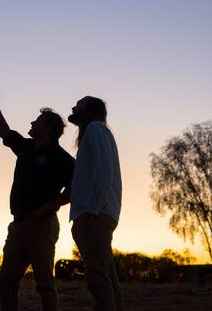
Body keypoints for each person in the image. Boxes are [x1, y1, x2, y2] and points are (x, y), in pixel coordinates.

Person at [0, 82, 74, 311]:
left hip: (42, 226)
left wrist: (46, 209)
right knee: (7, 281)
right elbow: (4, 131)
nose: (31, 123)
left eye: (36, 121)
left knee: (44, 284)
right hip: (18, 224)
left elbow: (73, 191)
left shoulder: (61, 159)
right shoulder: (26, 147)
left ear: (48, 128)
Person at [67, 96, 124, 311]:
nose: (73, 107)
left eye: (78, 104)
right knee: (107, 278)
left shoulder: (95, 130)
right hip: (98, 214)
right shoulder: (96, 132)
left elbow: (104, 172)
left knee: (98, 281)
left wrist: (90, 210)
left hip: (95, 216)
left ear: (89, 110)